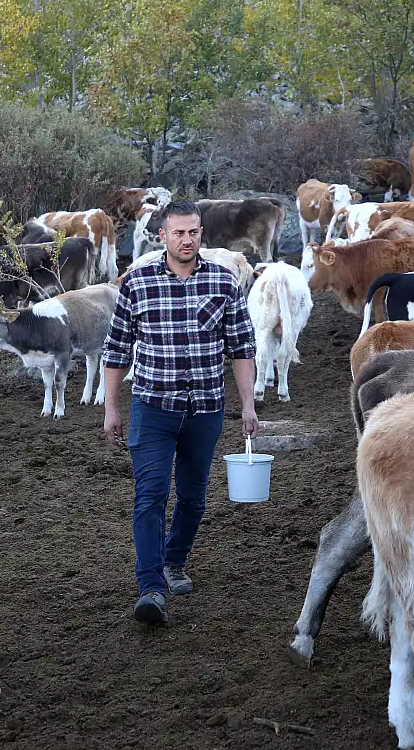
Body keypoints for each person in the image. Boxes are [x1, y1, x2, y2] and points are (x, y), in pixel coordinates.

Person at [102, 199, 259, 625]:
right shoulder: (137, 283)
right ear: (163, 236)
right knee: (151, 493)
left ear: (200, 234)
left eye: (192, 232)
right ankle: (151, 587)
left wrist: (247, 404)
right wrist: (111, 407)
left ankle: (174, 560)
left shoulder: (223, 282)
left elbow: (242, 348)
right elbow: (116, 350)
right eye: (178, 233)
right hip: (152, 407)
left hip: (205, 408)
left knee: (193, 496)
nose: (186, 240)